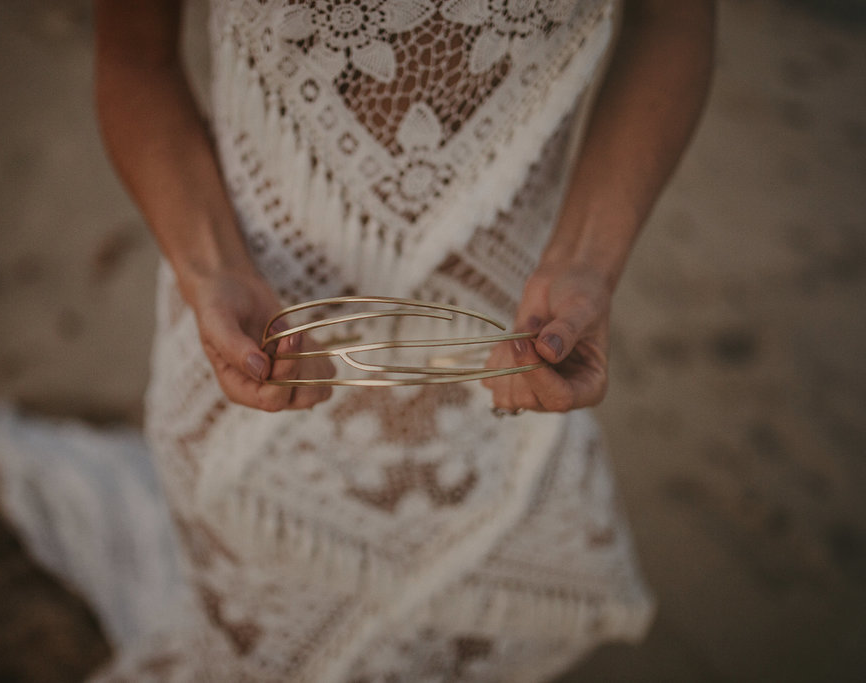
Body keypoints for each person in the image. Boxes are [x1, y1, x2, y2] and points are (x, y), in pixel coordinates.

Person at [88, 0, 715, 680]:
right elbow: (134, 56)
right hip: (254, 357)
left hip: (511, 360)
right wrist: (211, 269)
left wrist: (590, 261)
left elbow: (674, 20)